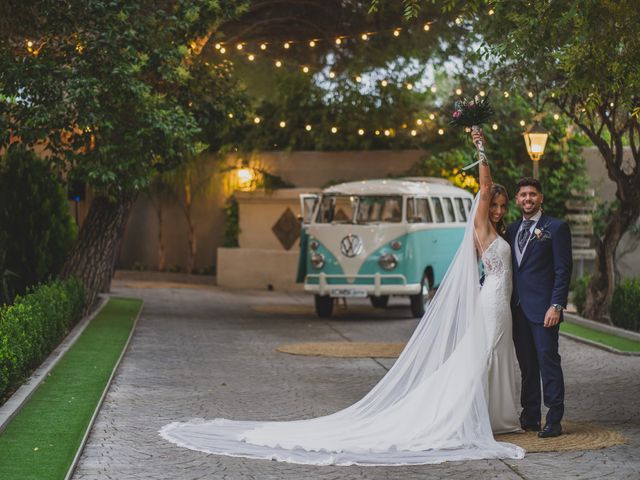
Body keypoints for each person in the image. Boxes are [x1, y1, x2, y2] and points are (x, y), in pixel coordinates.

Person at [159, 129, 525, 466]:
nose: (497, 209)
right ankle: (463, 415)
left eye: (501, 206)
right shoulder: (480, 225)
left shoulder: (498, 228)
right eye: (493, 204)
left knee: (491, 352)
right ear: (483, 204)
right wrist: (480, 147)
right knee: (485, 352)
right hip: (490, 298)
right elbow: (486, 184)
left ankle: (492, 415)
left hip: (495, 297)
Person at [507, 178, 572, 438]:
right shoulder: (511, 229)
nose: (528, 199)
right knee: (527, 365)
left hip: (545, 310)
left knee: (548, 362)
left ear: (541, 198)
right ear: (517, 199)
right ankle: (530, 416)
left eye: (533, 194)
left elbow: (562, 270)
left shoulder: (555, 228)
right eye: (523, 194)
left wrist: (556, 305)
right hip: (517, 310)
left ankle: (554, 419)